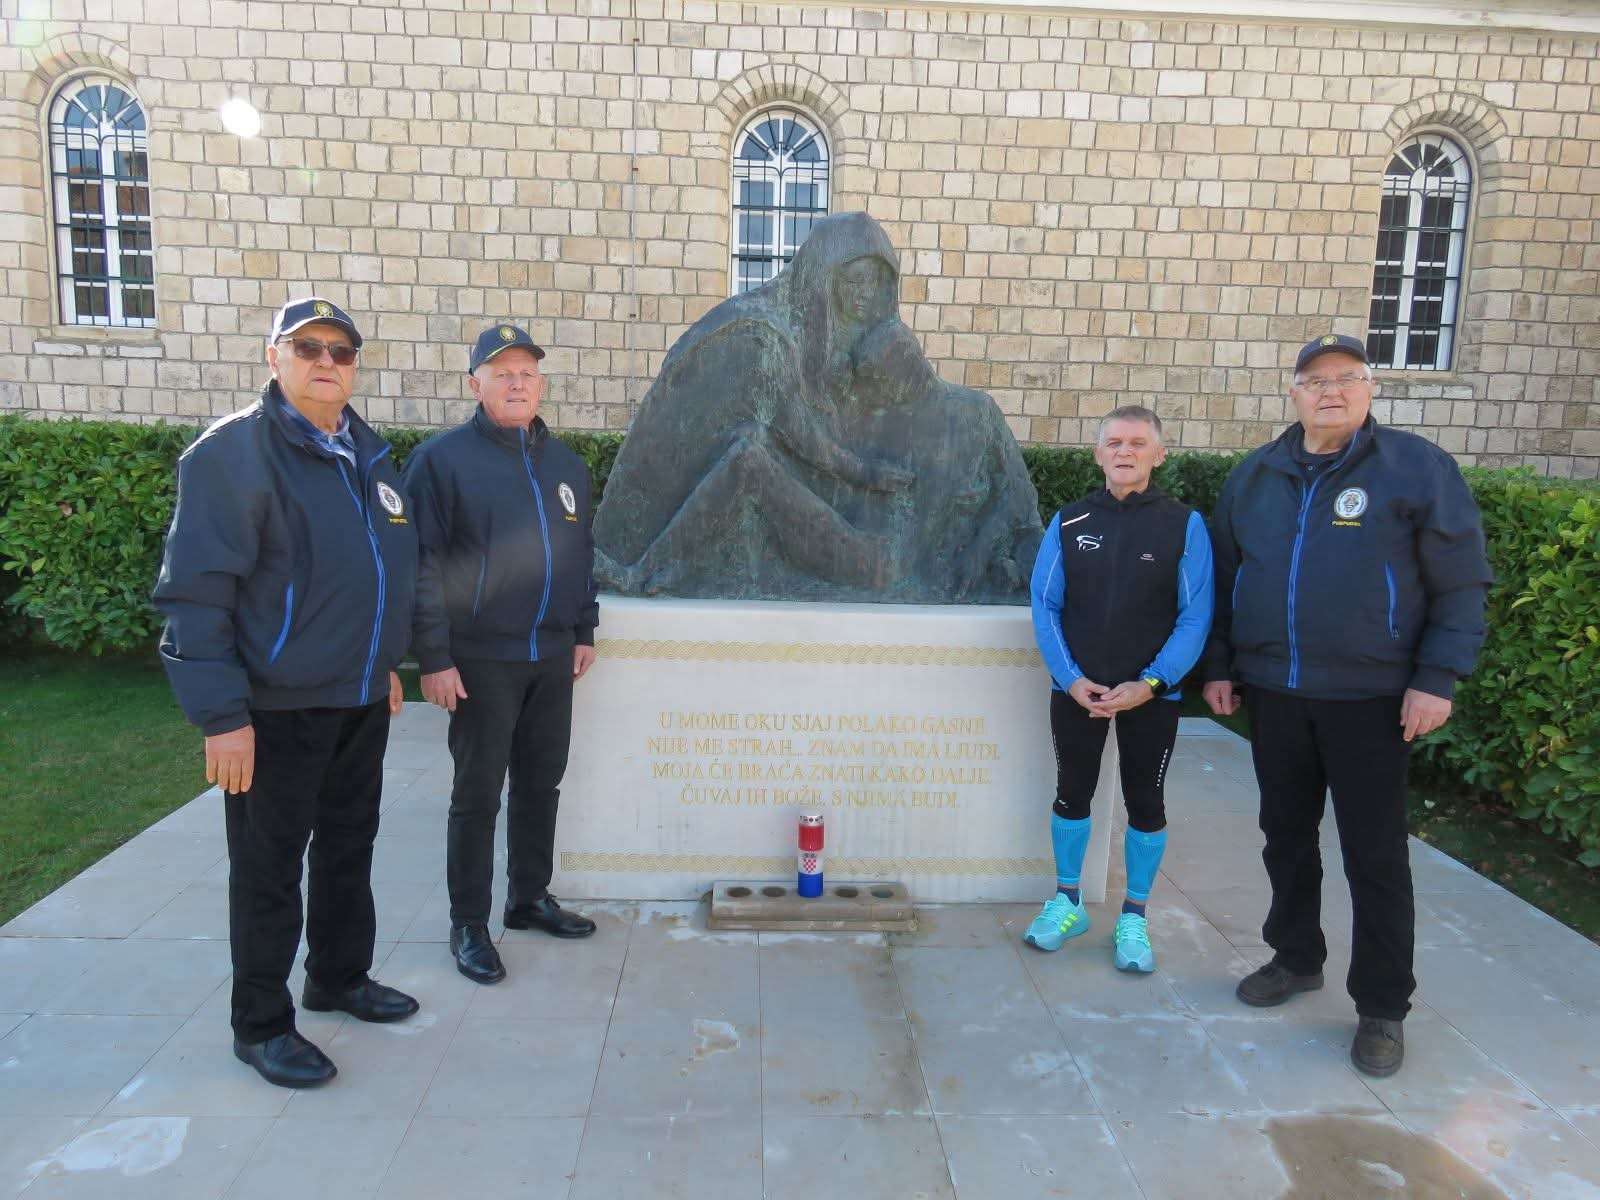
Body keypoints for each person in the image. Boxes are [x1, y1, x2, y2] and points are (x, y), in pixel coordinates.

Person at [1202, 333, 1491, 1078]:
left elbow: (1461, 583)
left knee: (1375, 854)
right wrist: (1222, 666)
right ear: (1293, 392)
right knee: (1285, 837)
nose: (1330, 390)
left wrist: (1437, 677)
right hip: (1276, 693)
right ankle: (1296, 957)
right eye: (1315, 380)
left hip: (1372, 699)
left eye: (1347, 377)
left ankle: (1383, 1005)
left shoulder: (1415, 468)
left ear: (1369, 389)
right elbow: (1227, 578)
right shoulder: (1256, 475)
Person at [154, 297, 420, 1089]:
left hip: (358, 698)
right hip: (274, 709)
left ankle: (338, 977)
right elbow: (197, 594)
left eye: (341, 350)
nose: (326, 361)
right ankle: (261, 1024)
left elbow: (379, 574)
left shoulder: (368, 454)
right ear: (274, 357)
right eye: (308, 347)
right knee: (268, 869)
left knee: (348, 847)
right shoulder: (232, 456)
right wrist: (222, 716)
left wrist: (380, 665)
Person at [402, 324, 600, 986]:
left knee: (541, 782)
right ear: (475, 384)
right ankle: (468, 923)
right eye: (503, 373)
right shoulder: (441, 462)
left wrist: (584, 629)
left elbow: (580, 556)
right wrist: (433, 657)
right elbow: (420, 565)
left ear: (541, 385)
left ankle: (528, 898)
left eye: (527, 373)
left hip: (551, 655)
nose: (517, 383)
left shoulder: (566, 466)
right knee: (477, 794)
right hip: (480, 659)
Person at [1024, 406, 1213, 972]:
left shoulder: (1184, 525)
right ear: (1097, 453)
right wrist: (1070, 679)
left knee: (1146, 802)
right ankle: (1067, 901)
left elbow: (1195, 616)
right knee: (1071, 792)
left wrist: (1151, 684)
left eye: (1136, 443)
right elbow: (1045, 604)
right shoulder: (1070, 521)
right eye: (1113, 443)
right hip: (1078, 692)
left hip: (1151, 697)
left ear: (1159, 454)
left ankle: (1134, 915)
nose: (1124, 452)